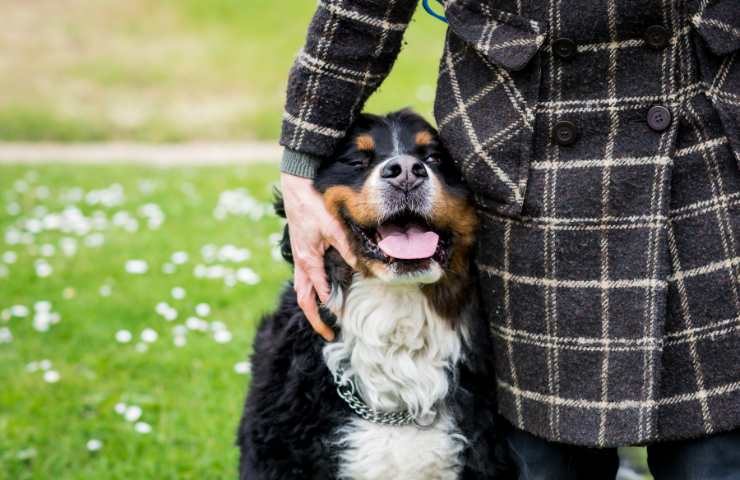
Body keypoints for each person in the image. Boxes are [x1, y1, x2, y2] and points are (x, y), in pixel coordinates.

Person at [278, 1, 740, 478]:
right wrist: (299, 164)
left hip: (704, 140)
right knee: (548, 460)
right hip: (528, 155)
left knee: (714, 455)